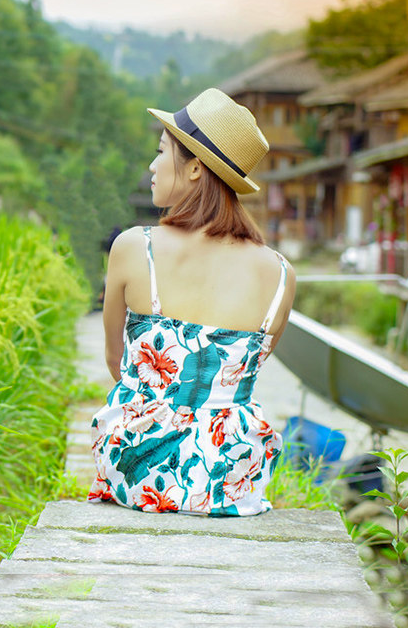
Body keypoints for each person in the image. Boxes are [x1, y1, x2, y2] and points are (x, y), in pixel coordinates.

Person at [88, 88, 296, 516]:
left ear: (197, 168)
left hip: (140, 470)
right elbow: (241, 378)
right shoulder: (279, 274)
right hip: (230, 479)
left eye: (162, 151)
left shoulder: (134, 247)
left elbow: (118, 364)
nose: (152, 165)